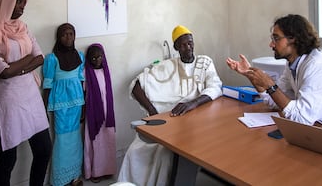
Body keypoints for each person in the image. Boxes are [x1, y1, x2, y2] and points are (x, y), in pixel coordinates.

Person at [226, 14, 322, 140]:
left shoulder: (318, 66)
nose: (271, 44)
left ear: (294, 39)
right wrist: (252, 76)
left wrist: (270, 85)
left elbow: (302, 119)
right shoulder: (293, 63)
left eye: (276, 38)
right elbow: (277, 101)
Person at [118, 25, 222, 186]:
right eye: (183, 44)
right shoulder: (168, 66)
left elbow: (215, 87)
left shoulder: (205, 62)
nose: (188, 47)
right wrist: (152, 112)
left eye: (190, 43)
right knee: (136, 151)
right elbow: (136, 85)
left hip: (198, 121)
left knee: (168, 155)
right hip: (170, 120)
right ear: (176, 47)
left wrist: (192, 103)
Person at [0, 0, 52, 186]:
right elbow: (3, 72)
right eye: (18, 1)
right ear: (4, 2)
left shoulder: (23, 28)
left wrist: (16, 66)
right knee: (7, 160)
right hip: (6, 102)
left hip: (30, 97)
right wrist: (26, 61)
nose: (22, 7)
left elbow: (40, 58)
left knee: (44, 150)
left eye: (24, 2)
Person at [43, 23, 85, 186]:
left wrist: (84, 107)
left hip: (76, 102)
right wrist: (43, 107)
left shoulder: (79, 56)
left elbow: (82, 81)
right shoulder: (52, 59)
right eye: (64, 34)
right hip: (60, 104)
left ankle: (74, 176)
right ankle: (59, 180)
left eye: (71, 34)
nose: (68, 37)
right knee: (61, 139)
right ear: (58, 37)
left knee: (75, 138)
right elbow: (48, 83)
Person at [83, 43, 117, 183]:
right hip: (94, 114)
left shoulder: (106, 71)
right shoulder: (86, 73)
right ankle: (95, 171)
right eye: (94, 58)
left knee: (108, 140)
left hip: (107, 113)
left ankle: (108, 169)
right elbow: (84, 93)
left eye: (100, 57)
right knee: (95, 142)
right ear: (89, 59)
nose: (97, 60)